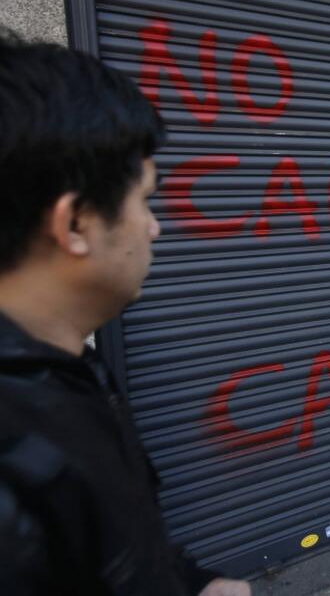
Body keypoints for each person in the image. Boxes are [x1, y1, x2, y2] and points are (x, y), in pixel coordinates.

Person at [0, 33, 252, 594]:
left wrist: (192, 583)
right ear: (75, 224)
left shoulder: (65, 373)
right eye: (144, 200)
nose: (154, 226)